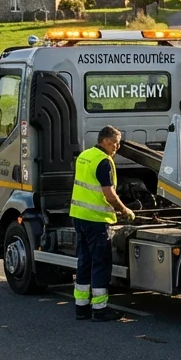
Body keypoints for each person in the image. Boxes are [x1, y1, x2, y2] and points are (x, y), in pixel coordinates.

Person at [70, 125, 137, 322]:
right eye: (115, 142)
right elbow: (108, 194)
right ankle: (99, 309)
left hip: (79, 216)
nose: (117, 146)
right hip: (96, 220)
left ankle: (81, 308)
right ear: (105, 141)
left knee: (84, 261)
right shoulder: (103, 162)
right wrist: (124, 210)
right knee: (100, 264)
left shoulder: (85, 155)